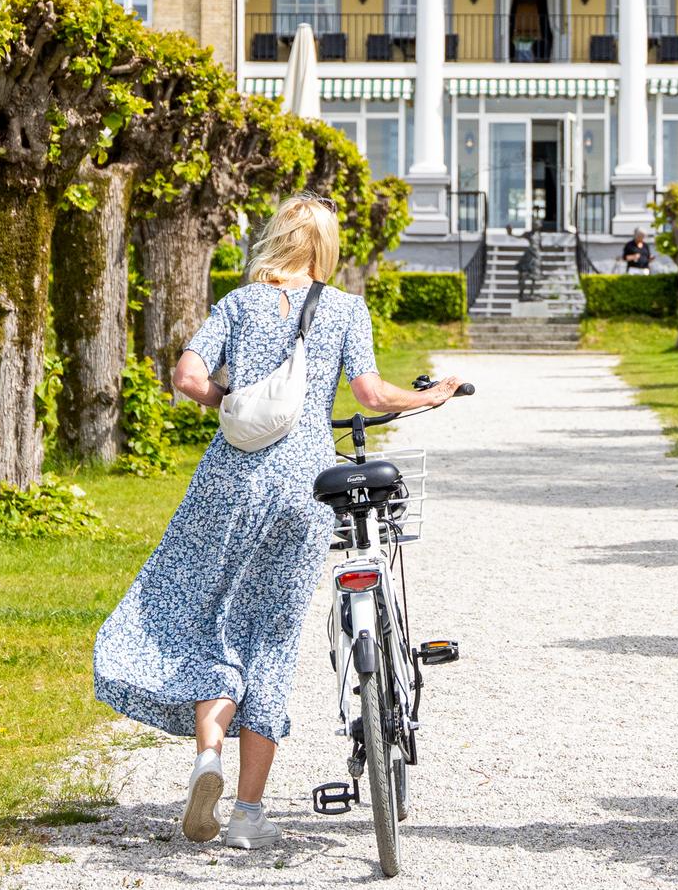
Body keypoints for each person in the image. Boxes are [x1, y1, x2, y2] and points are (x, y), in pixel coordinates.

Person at [91, 195, 457, 851]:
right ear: (326, 246)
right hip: (306, 484)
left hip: (229, 481)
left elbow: (186, 375)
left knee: (215, 624)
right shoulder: (344, 307)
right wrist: (429, 394)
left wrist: (231, 402)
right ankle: (248, 814)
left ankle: (209, 757)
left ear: (275, 239)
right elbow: (372, 395)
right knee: (273, 639)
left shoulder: (237, 304)